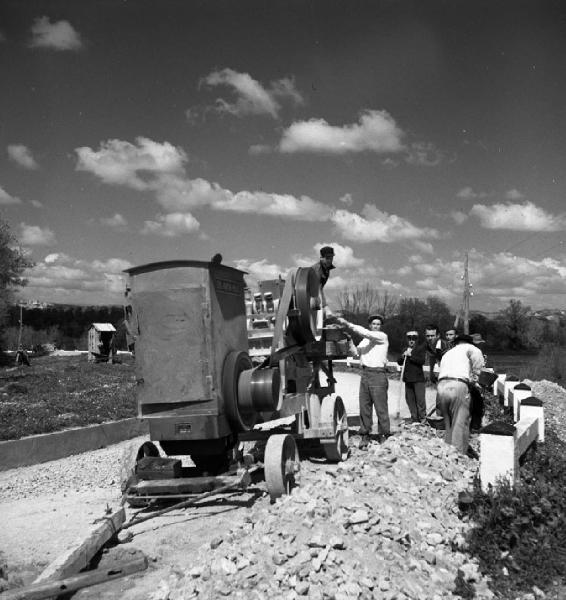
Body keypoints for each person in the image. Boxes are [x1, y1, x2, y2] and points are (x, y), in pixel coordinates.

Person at [329, 311, 390, 448]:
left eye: (378, 324)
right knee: (364, 406)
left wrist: (347, 324)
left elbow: (366, 333)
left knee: (381, 407)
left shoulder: (381, 336)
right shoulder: (365, 340)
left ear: (380, 326)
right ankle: (365, 435)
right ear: (370, 325)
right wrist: (349, 340)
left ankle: (384, 435)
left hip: (378, 374)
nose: (376, 326)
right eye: (373, 324)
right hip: (365, 374)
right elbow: (356, 353)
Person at [436, 334, 485, 454]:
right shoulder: (471, 349)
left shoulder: (447, 353)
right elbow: (479, 368)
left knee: (448, 424)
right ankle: (458, 456)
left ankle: (447, 454)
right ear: (469, 342)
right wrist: (476, 380)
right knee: (460, 423)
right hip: (458, 385)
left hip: (441, 387)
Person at [397, 330, 427, 423]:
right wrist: (403, 356)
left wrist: (411, 355)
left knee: (420, 401)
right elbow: (399, 361)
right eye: (409, 338)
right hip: (408, 380)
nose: (411, 340)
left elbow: (421, 361)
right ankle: (414, 419)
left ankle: (423, 419)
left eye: (414, 339)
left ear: (417, 339)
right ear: (407, 339)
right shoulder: (405, 349)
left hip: (418, 380)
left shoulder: (420, 349)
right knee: (410, 401)